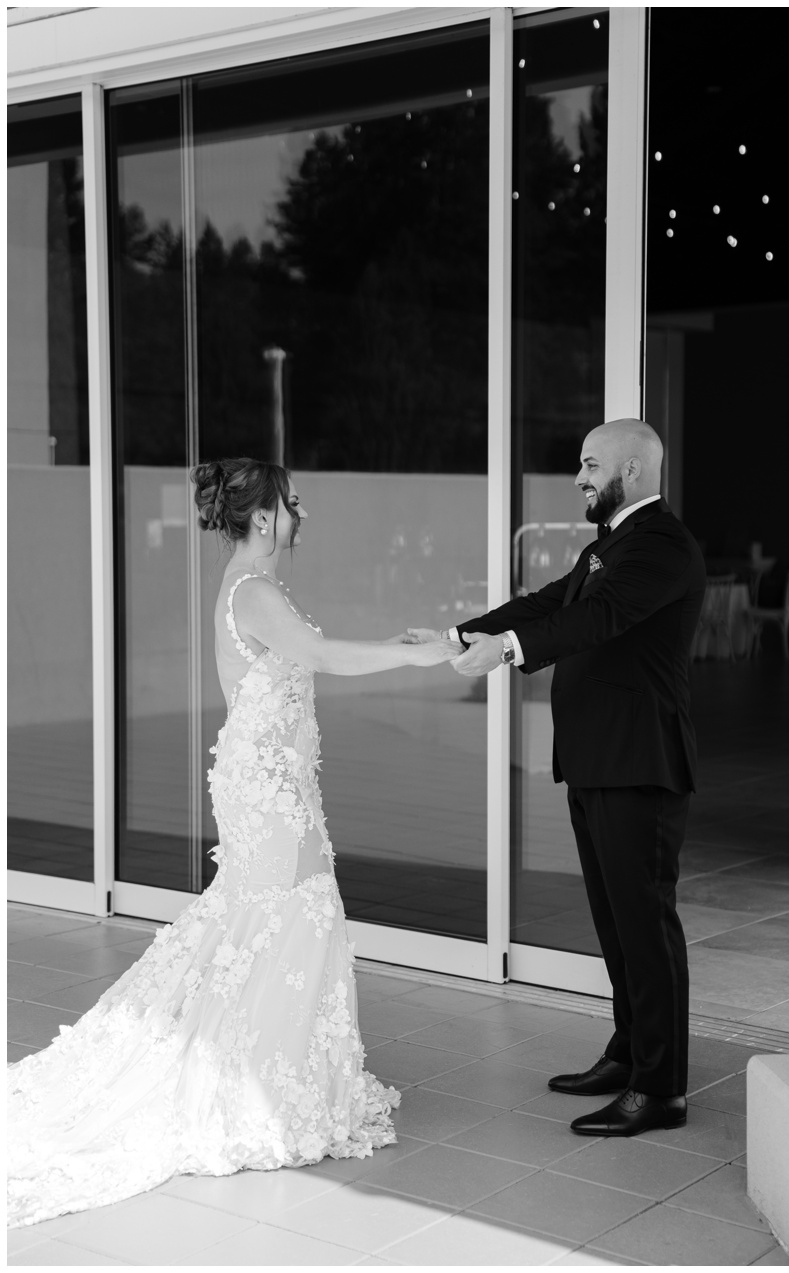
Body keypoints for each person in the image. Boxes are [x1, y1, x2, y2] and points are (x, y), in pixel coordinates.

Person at [7, 458, 463, 1230]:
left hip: (271, 779)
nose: (300, 514)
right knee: (295, 912)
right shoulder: (252, 591)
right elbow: (321, 658)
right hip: (268, 789)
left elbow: (305, 658)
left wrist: (394, 639)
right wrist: (422, 654)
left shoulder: (252, 588)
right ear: (261, 519)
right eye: (291, 504)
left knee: (269, 919)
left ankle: (270, 1066)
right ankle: (263, 1079)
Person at [448, 418, 706, 1138]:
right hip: (598, 761)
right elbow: (551, 604)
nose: (581, 477)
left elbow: (598, 618)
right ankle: (629, 1054)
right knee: (618, 927)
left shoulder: (660, 546)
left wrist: (506, 651)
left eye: (592, 464)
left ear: (632, 466)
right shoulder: (611, 543)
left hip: (639, 764)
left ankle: (661, 1089)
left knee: (646, 928)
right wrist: (465, 632)